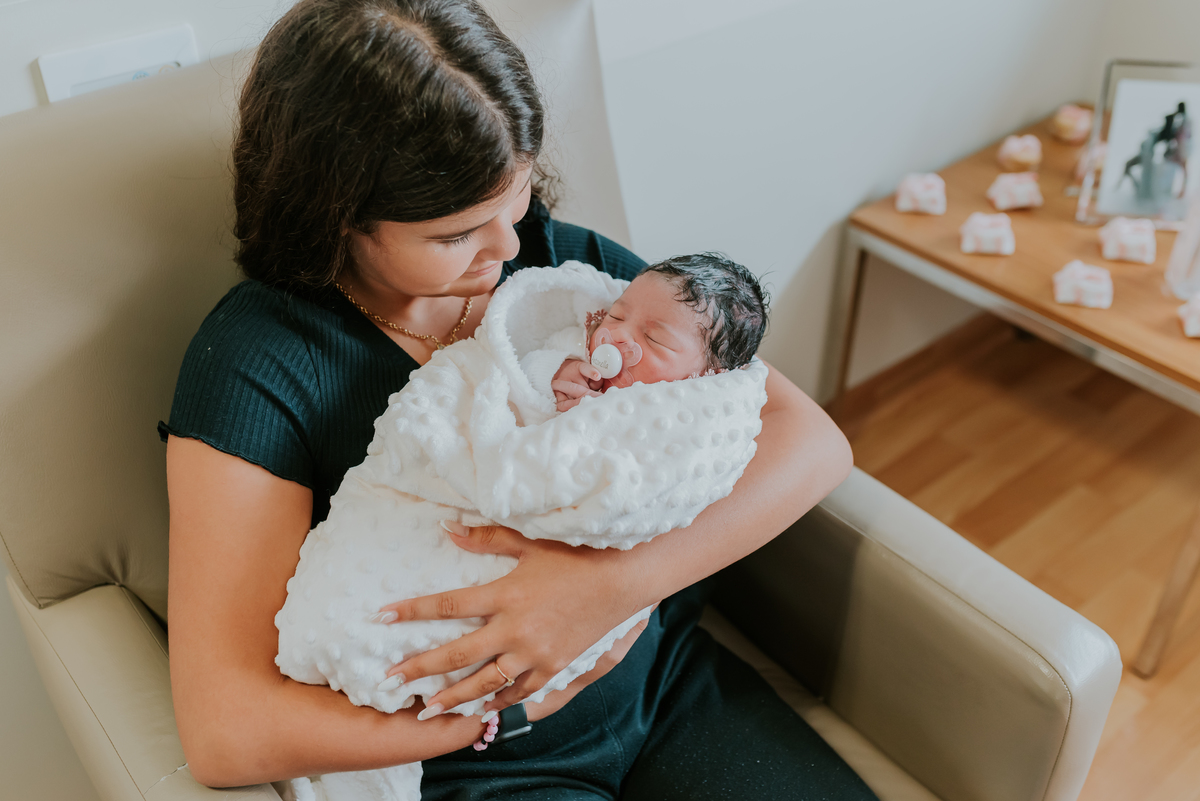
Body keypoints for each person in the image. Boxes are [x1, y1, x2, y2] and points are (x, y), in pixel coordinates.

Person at [161, 1, 869, 798]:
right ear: (338, 218)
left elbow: (810, 439)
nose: (507, 247)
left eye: (518, 196)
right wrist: (496, 706)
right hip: (479, 757)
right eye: (457, 233)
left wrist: (600, 591)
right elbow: (226, 728)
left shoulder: (564, 273)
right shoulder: (259, 363)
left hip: (658, 675)